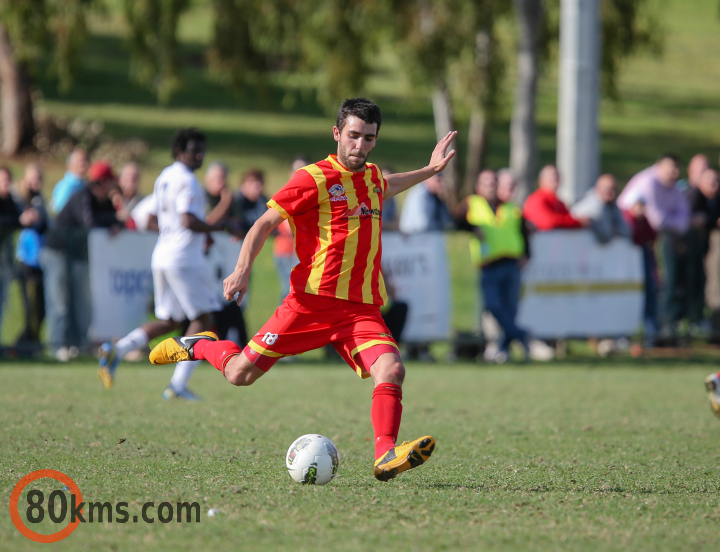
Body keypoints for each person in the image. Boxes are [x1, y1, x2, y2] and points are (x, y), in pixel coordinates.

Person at [149, 98, 454, 481]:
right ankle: (200, 345)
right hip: (308, 305)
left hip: (360, 310)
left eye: (369, 138)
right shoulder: (312, 178)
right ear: (337, 133)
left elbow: (385, 186)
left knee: (392, 369)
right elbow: (262, 223)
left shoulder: (373, 177)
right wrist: (242, 268)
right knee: (240, 374)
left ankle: (385, 454)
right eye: (354, 136)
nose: (360, 145)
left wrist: (430, 170)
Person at [97, 129, 236, 399]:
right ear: (178, 151)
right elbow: (187, 220)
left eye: (202, 149)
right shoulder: (187, 180)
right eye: (194, 149)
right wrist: (220, 226)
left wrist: (168, 232)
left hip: (163, 255)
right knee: (203, 318)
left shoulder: (164, 177)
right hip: (184, 259)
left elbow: (145, 216)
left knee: (170, 319)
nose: (200, 155)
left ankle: (118, 349)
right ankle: (178, 385)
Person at [42, 161, 120, 361]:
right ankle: (58, 346)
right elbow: (90, 224)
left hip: (78, 256)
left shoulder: (105, 202)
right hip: (57, 252)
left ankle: (80, 346)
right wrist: (111, 223)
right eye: (111, 181)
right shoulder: (83, 197)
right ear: (102, 182)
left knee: (82, 302)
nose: (114, 186)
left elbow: (115, 219)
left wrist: (115, 222)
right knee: (59, 301)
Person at [617, 154, 689, 340]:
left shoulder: (673, 186)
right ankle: (638, 332)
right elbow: (657, 220)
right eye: (669, 167)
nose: (674, 172)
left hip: (653, 245)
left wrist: (671, 222)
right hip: (629, 251)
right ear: (658, 166)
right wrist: (673, 222)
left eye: (676, 168)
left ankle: (656, 330)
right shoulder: (648, 182)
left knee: (658, 287)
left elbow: (684, 219)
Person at [462, 169, 529, 363]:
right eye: (487, 183)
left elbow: (523, 231)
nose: (491, 187)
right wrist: (472, 228)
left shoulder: (511, 207)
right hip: (489, 264)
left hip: (512, 263)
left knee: (511, 308)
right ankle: (521, 335)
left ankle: (503, 349)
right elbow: (457, 220)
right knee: (493, 305)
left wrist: (526, 254)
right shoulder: (472, 203)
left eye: (494, 183)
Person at [14, 163, 49, 349]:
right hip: (27, 261)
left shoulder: (40, 201)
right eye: (32, 178)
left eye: (39, 179)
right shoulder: (20, 201)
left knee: (41, 310)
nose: (35, 183)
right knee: (32, 309)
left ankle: (27, 344)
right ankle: (24, 346)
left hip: (40, 261)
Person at [684, 168, 720, 329]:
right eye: (710, 181)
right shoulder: (695, 196)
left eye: (717, 181)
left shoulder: (715, 199)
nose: (714, 185)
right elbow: (692, 220)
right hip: (693, 252)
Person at [273, 158, 304, 303]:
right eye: (297, 170)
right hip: (286, 250)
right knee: (289, 290)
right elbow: (288, 226)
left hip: (302, 252)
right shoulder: (287, 193)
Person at [522, 165, 588, 231]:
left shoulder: (559, 202)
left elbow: (568, 218)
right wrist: (577, 222)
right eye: (551, 176)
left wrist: (578, 221)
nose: (555, 178)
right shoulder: (536, 199)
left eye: (557, 175)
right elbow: (548, 222)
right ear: (540, 180)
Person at [571, 174, 631, 244]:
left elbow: (626, 230)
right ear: (598, 188)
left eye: (614, 189)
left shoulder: (612, 205)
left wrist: (615, 229)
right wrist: (614, 229)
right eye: (608, 189)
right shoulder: (593, 207)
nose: (612, 193)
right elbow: (605, 235)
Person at [51, 148, 88, 214]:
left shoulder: (83, 184)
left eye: (86, 160)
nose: (84, 163)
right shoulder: (66, 186)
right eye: (81, 160)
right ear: (70, 164)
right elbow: (60, 211)